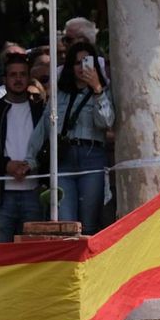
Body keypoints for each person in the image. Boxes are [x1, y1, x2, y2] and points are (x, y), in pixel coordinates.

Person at [26, 43, 113, 234]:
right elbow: (44, 126)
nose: (82, 67)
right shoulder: (60, 93)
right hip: (63, 158)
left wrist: (97, 89)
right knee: (66, 222)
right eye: (76, 63)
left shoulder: (103, 91)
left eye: (86, 62)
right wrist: (30, 160)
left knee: (89, 222)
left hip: (92, 157)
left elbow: (106, 122)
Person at [0, 52, 46, 241]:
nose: (18, 79)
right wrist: (6, 165)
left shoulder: (41, 110)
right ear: (4, 79)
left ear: (29, 78)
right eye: (13, 75)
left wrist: (33, 165)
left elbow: (48, 146)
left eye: (22, 74)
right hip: (1, 195)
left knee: (33, 253)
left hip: (34, 192)